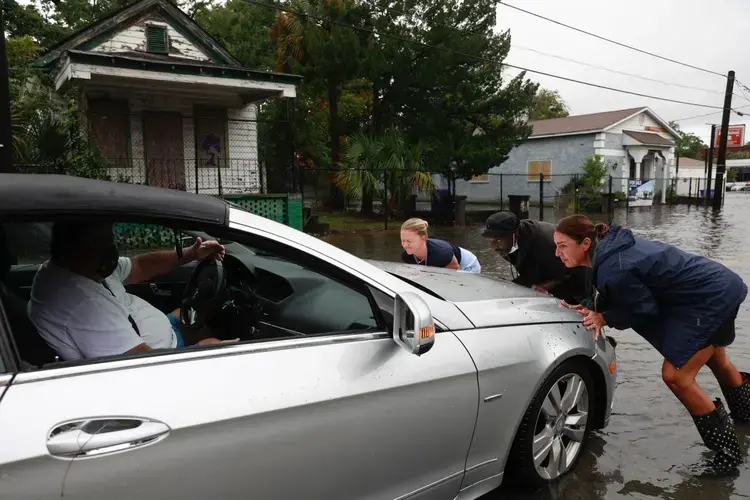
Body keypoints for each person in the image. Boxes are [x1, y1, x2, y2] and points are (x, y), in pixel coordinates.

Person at [553, 214, 749, 473]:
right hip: (720, 285)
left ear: (586, 243)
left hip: (710, 297)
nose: (557, 253)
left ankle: (728, 459)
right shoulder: (610, 249)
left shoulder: (614, 266)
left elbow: (643, 309)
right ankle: (745, 418)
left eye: (562, 246)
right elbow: (630, 291)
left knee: (676, 377)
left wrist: (603, 318)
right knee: (716, 359)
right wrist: (591, 308)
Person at [28, 221, 237, 361]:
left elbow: (140, 266)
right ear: (73, 249)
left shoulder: (81, 267)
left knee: (202, 311)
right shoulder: (83, 306)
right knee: (225, 349)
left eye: (109, 240)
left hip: (159, 335)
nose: (111, 249)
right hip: (160, 357)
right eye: (102, 243)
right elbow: (142, 365)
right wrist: (202, 350)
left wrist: (190, 254)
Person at [482, 211, 587, 303]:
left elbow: (570, 271)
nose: (494, 247)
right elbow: (528, 272)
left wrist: (544, 286)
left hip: (578, 274)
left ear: (515, 235)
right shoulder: (507, 245)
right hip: (548, 269)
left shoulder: (545, 242)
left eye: (498, 241)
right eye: (491, 241)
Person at [400, 218, 481, 273]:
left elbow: (456, 274)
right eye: (403, 240)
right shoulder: (406, 255)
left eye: (409, 241)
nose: (405, 245)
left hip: (468, 265)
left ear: (423, 238)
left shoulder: (441, 253)